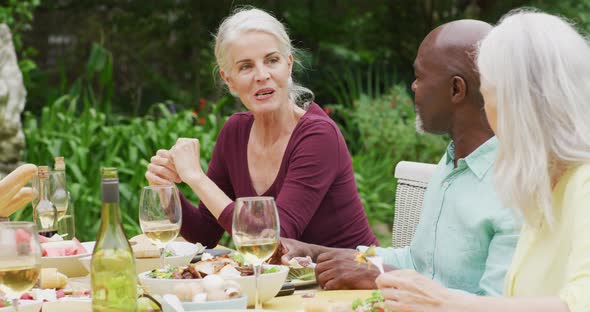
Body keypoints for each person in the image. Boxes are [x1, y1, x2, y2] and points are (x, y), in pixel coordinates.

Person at [272, 19, 519, 295]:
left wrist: (381, 276)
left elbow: (494, 304)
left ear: (456, 89)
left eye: (420, 76)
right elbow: (415, 262)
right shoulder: (453, 162)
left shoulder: (515, 188)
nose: (413, 87)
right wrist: (314, 252)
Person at [376, 10, 590, 312]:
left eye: (488, 91)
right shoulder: (537, 183)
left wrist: (446, 302)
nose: (486, 108)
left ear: (518, 100)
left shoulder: (583, 181)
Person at [145, 8, 378, 249]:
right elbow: (205, 233)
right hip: (291, 282)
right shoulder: (235, 132)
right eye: (246, 66)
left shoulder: (318, 136)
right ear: (229, 79)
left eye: (272, 60)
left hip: (354, 280)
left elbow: (273, 238)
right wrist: (165, 189)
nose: (262, 75)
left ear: (288, 65)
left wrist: (196, 178)